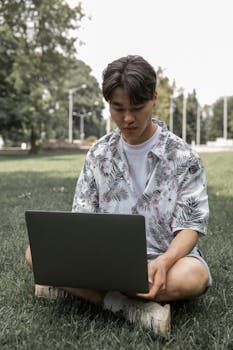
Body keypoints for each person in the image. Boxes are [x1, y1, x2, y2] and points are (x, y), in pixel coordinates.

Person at [25, 55, 212, 337]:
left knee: (193, 277)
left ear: (154, 99)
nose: (127, 119)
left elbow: (190, 226)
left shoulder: (184, 157)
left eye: (137, 108)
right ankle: (125, 306)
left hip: (165, 261)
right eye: (118, 108)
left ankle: (77, 290)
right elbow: (83, 218)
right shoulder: (99, 153)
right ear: (109, 103)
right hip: (107, 259)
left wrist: (163, 261)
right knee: (34, 253)